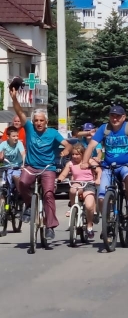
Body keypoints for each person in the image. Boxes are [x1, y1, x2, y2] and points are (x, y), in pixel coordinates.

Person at [9, 86, 72, 239]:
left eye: (41, 121)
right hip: (31, 166)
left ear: (46, 122)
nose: (38, 123)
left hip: (48, 168)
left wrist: (65, 150)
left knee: (49, 194)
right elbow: (20, 113)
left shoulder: (52, 133)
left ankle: (50, 226)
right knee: (22, 183)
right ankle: (30, 205)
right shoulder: (29, 128)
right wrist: (14, 98)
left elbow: (68, 144)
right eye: (36, 120)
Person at [83, 106, 128, 220]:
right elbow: (91, 145)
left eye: (118, 116)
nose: (115, 119)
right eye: (112, 116)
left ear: (123, 117)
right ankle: (107, 221)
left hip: (126, 165)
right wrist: (84, 162)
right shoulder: (104, 128)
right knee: (101, 197)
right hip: (108, 166)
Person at [58, 144, 101, 239]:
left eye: (77, 154)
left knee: (89, 206)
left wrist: (98, 179)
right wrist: (59, 179)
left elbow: (98, 170)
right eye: (73, 154)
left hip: (89, 184)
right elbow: (64, 174)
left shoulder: (89, 161)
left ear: (82, 154)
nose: (74, 156)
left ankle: (89, 226)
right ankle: (73, 207)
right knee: (73, 189)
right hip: (77, 183)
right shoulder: (70, 163)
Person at [0, 126, 25, 193]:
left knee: (15, 176)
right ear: (8, 137)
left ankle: (20, 193)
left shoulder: (19, 143)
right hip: (7, 167)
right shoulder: (3, 144)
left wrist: (23, 164)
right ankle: (3, 201)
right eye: (13, 136)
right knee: (4, 187)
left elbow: (23, 154)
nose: (16, 138)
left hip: (17, 167)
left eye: (17, 136)